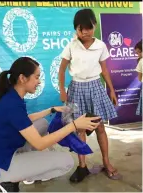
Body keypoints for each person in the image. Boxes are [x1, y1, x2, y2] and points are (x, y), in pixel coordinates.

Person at [0, 57, 100, 192]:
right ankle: (8, 180)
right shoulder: (12, 104)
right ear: (22, 78)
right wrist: (74, 125)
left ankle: (22, 167)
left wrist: (51, 110)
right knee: (66, 162)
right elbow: (40, 144)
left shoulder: (11, 95)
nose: (39, 81)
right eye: (36, 77)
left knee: (42, 123)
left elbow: (23, 119)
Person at [58, 8, 121, 182]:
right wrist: (62, 90)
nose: (85, 32)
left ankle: (106, 162)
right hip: (76, 88)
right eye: (81, 28)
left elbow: (104, 70)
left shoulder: (100, 45)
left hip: (95, 87)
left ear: (94, 26)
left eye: (89, 27)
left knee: (100, 127)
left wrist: (112, 89)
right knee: (79, 129)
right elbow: (62, 69)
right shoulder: (71, 45)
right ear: (76, 29)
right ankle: (82, 166)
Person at [135, 39, 142, 116]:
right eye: (137, 53)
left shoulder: (141, 61)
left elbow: (139, 78)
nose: (138, 55)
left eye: (139, 52)